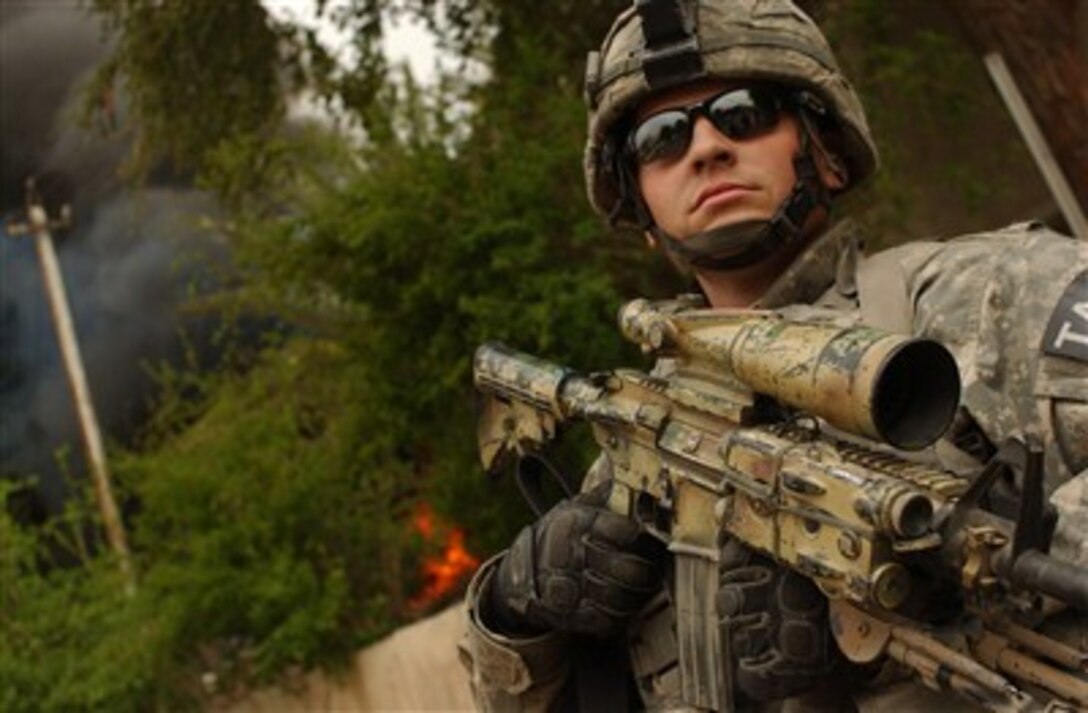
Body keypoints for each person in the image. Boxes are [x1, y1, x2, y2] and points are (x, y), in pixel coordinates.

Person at [459, 1, 1088, 710]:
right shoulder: (645, 440)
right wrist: (517, 616)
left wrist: (947, 593)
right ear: (637, 202)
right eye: (661, 137)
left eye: (744, 111)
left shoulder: (992, 293)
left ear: (826, 147)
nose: (704, 148)